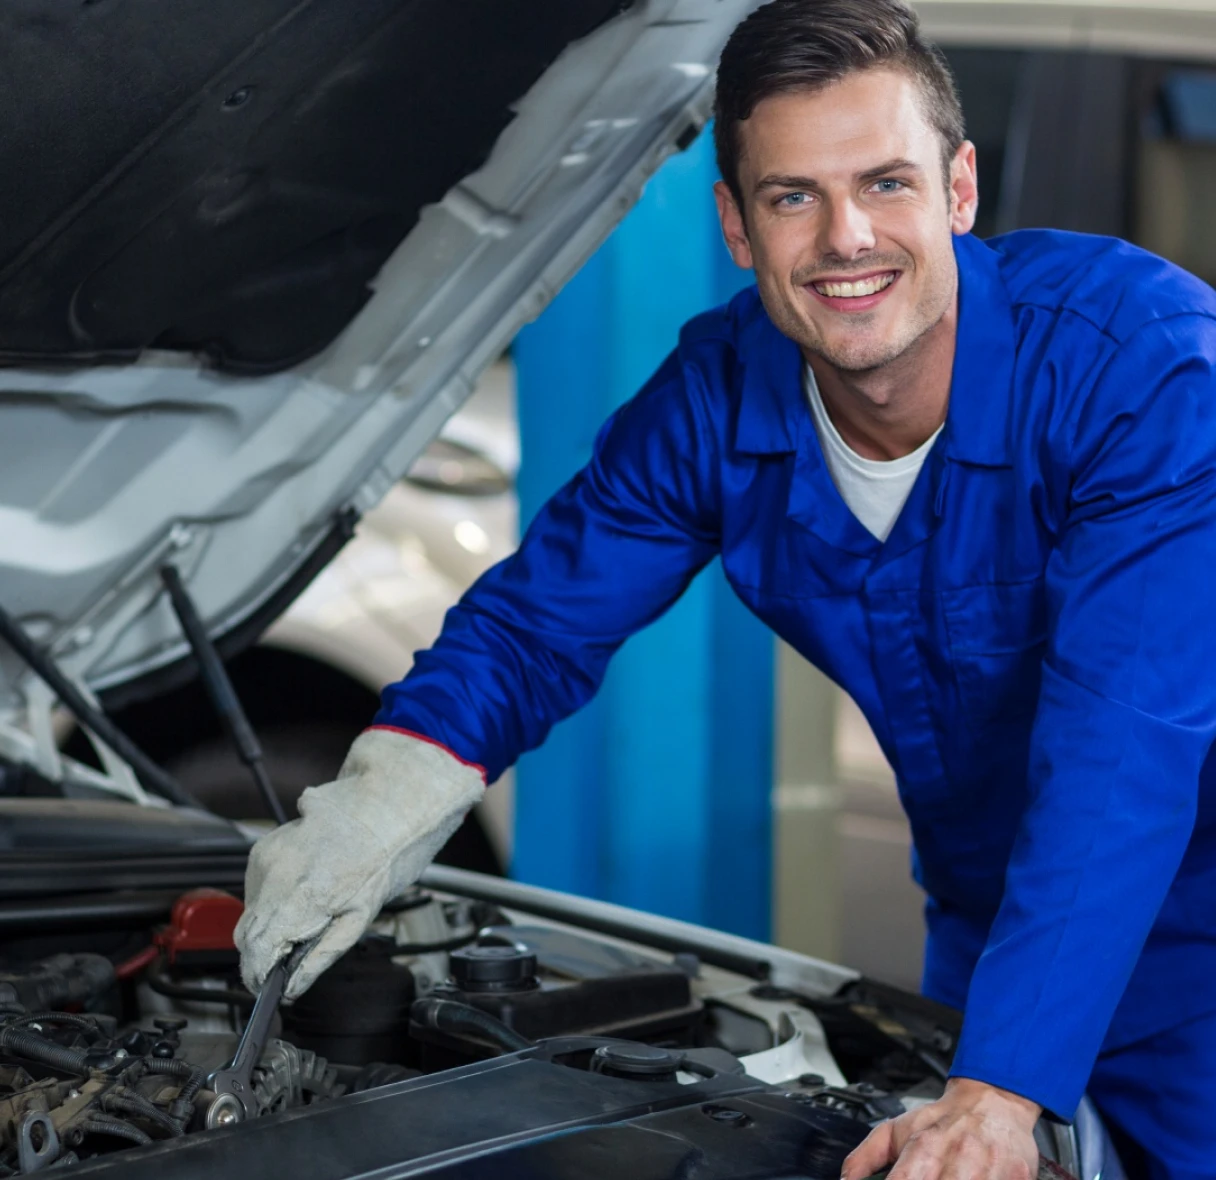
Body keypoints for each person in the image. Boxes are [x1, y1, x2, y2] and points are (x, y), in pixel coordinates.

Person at [235, 2, 1216, 1177]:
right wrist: (380, 801)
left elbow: (1124, 750)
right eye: (793, 196)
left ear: (959, 189)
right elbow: (540, 618)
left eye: (886, 183)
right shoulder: (718, 394)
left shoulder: (1141, 368)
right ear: (738, 227)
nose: (846, 237)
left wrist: (1002, 1085)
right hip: (995, 933)